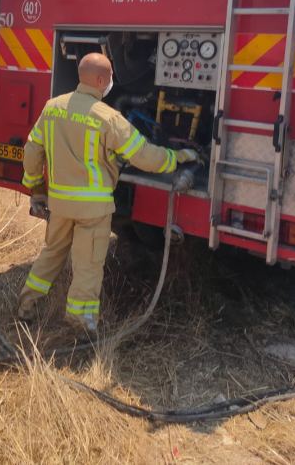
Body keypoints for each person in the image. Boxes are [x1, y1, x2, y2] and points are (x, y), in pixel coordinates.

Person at [18, 52, 197, 337]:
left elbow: (32, 149)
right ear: (102, 81)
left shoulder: (52, 108)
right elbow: (145, 156)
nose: (112, 82)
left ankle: (26, 306)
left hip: (60, 204)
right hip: (92, 210)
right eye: (111, 77)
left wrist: (36, 188)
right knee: (87, 267)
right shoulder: (109, 118)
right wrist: (177, 158)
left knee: (51, 254)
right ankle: (80, 328)